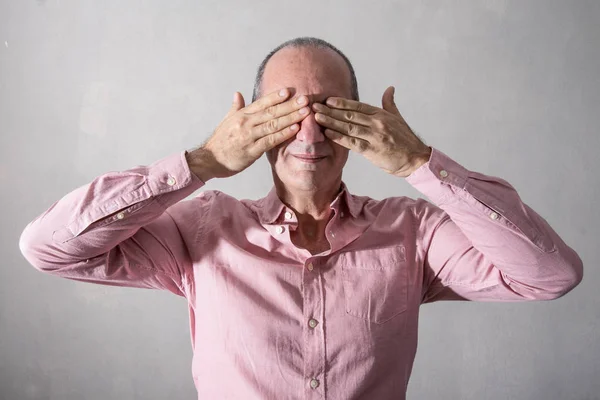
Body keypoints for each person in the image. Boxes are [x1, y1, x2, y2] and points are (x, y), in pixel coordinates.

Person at [19, 36, 583, 400]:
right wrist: (204, 162)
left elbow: (550, 275)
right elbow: (48, 247)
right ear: (253, 121)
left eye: (331, 112)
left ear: (364, 121)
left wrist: (418, 162)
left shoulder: (413, 233)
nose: (309, 135)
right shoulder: (201, 228)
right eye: (287, 112)